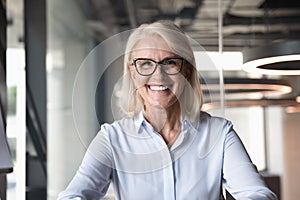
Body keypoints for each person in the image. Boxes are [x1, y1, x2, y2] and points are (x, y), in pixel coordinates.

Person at [58, 20, 277, 200]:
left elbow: (259, 194)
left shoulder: (219, 134)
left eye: (170, 63)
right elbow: (71, 197)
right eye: (145, 64)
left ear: (187, 71)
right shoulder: (112, 138)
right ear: (132, 73)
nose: (158, 76)